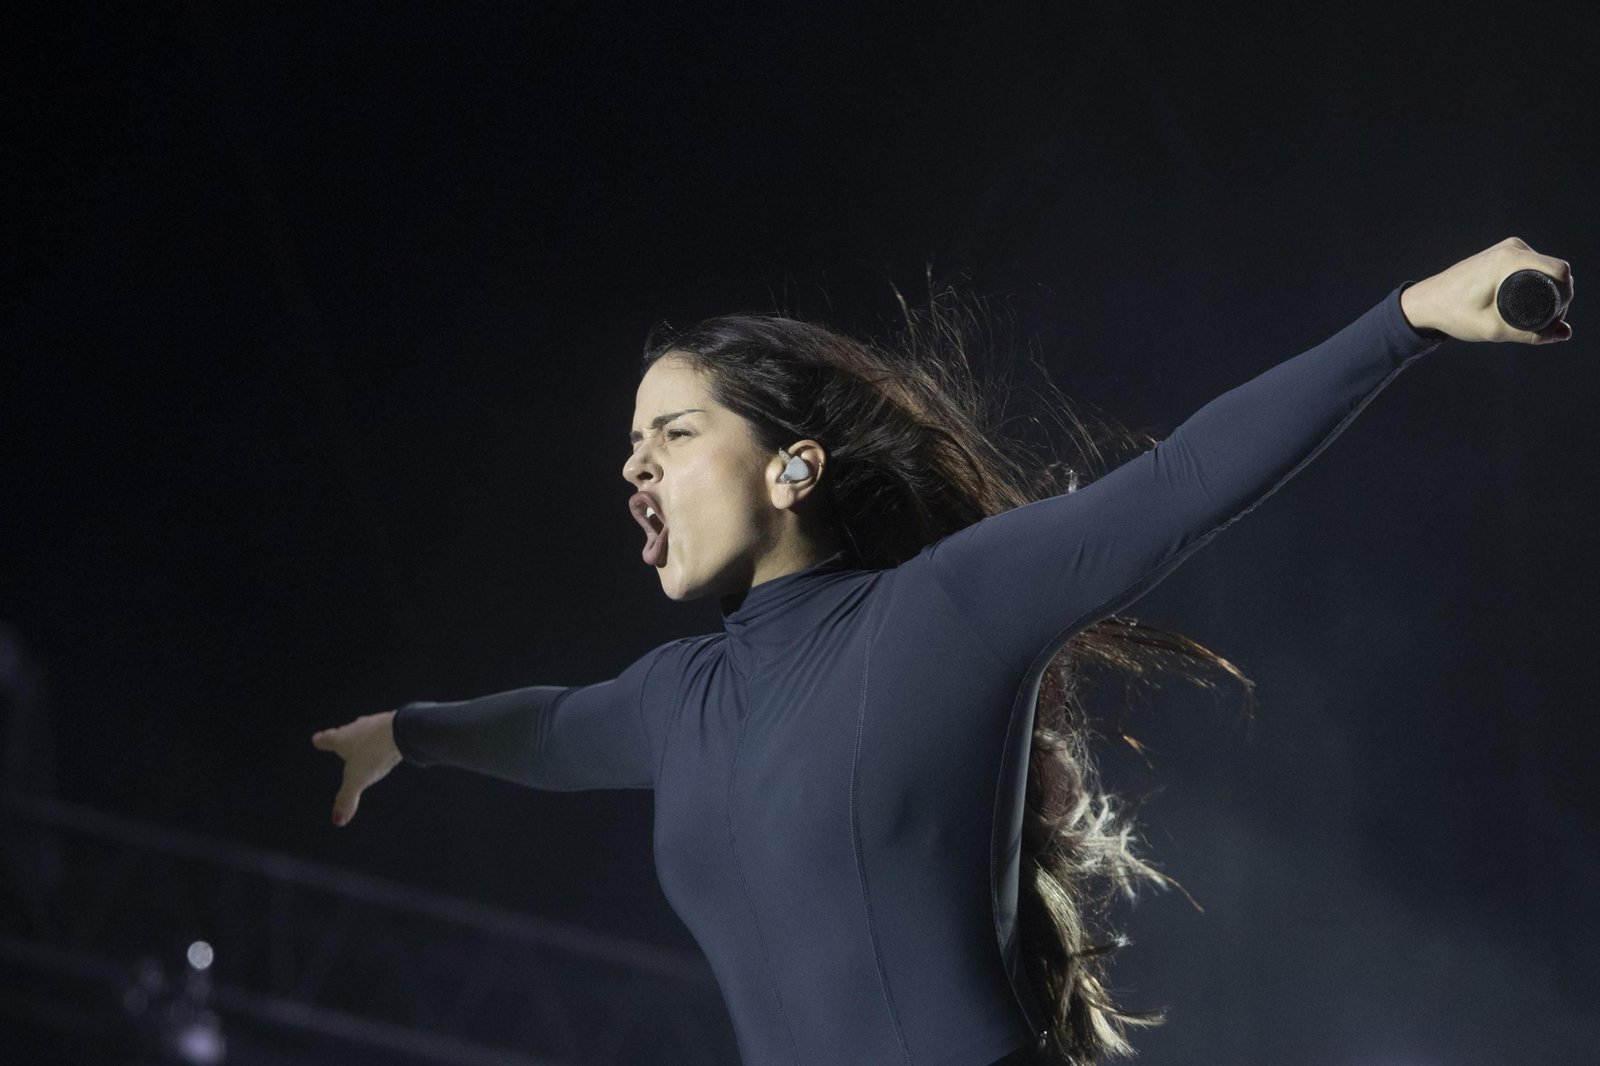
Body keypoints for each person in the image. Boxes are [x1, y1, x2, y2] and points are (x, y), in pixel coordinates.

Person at [313, 237, 1571, 1066]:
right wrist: (404, 734)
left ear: (794, 467)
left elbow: (1181, 480)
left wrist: (1406, 319)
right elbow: (538, 728)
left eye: (675, 431)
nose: (634, 462)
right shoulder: (668, 702)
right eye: (631, 443)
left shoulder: (943, 612)